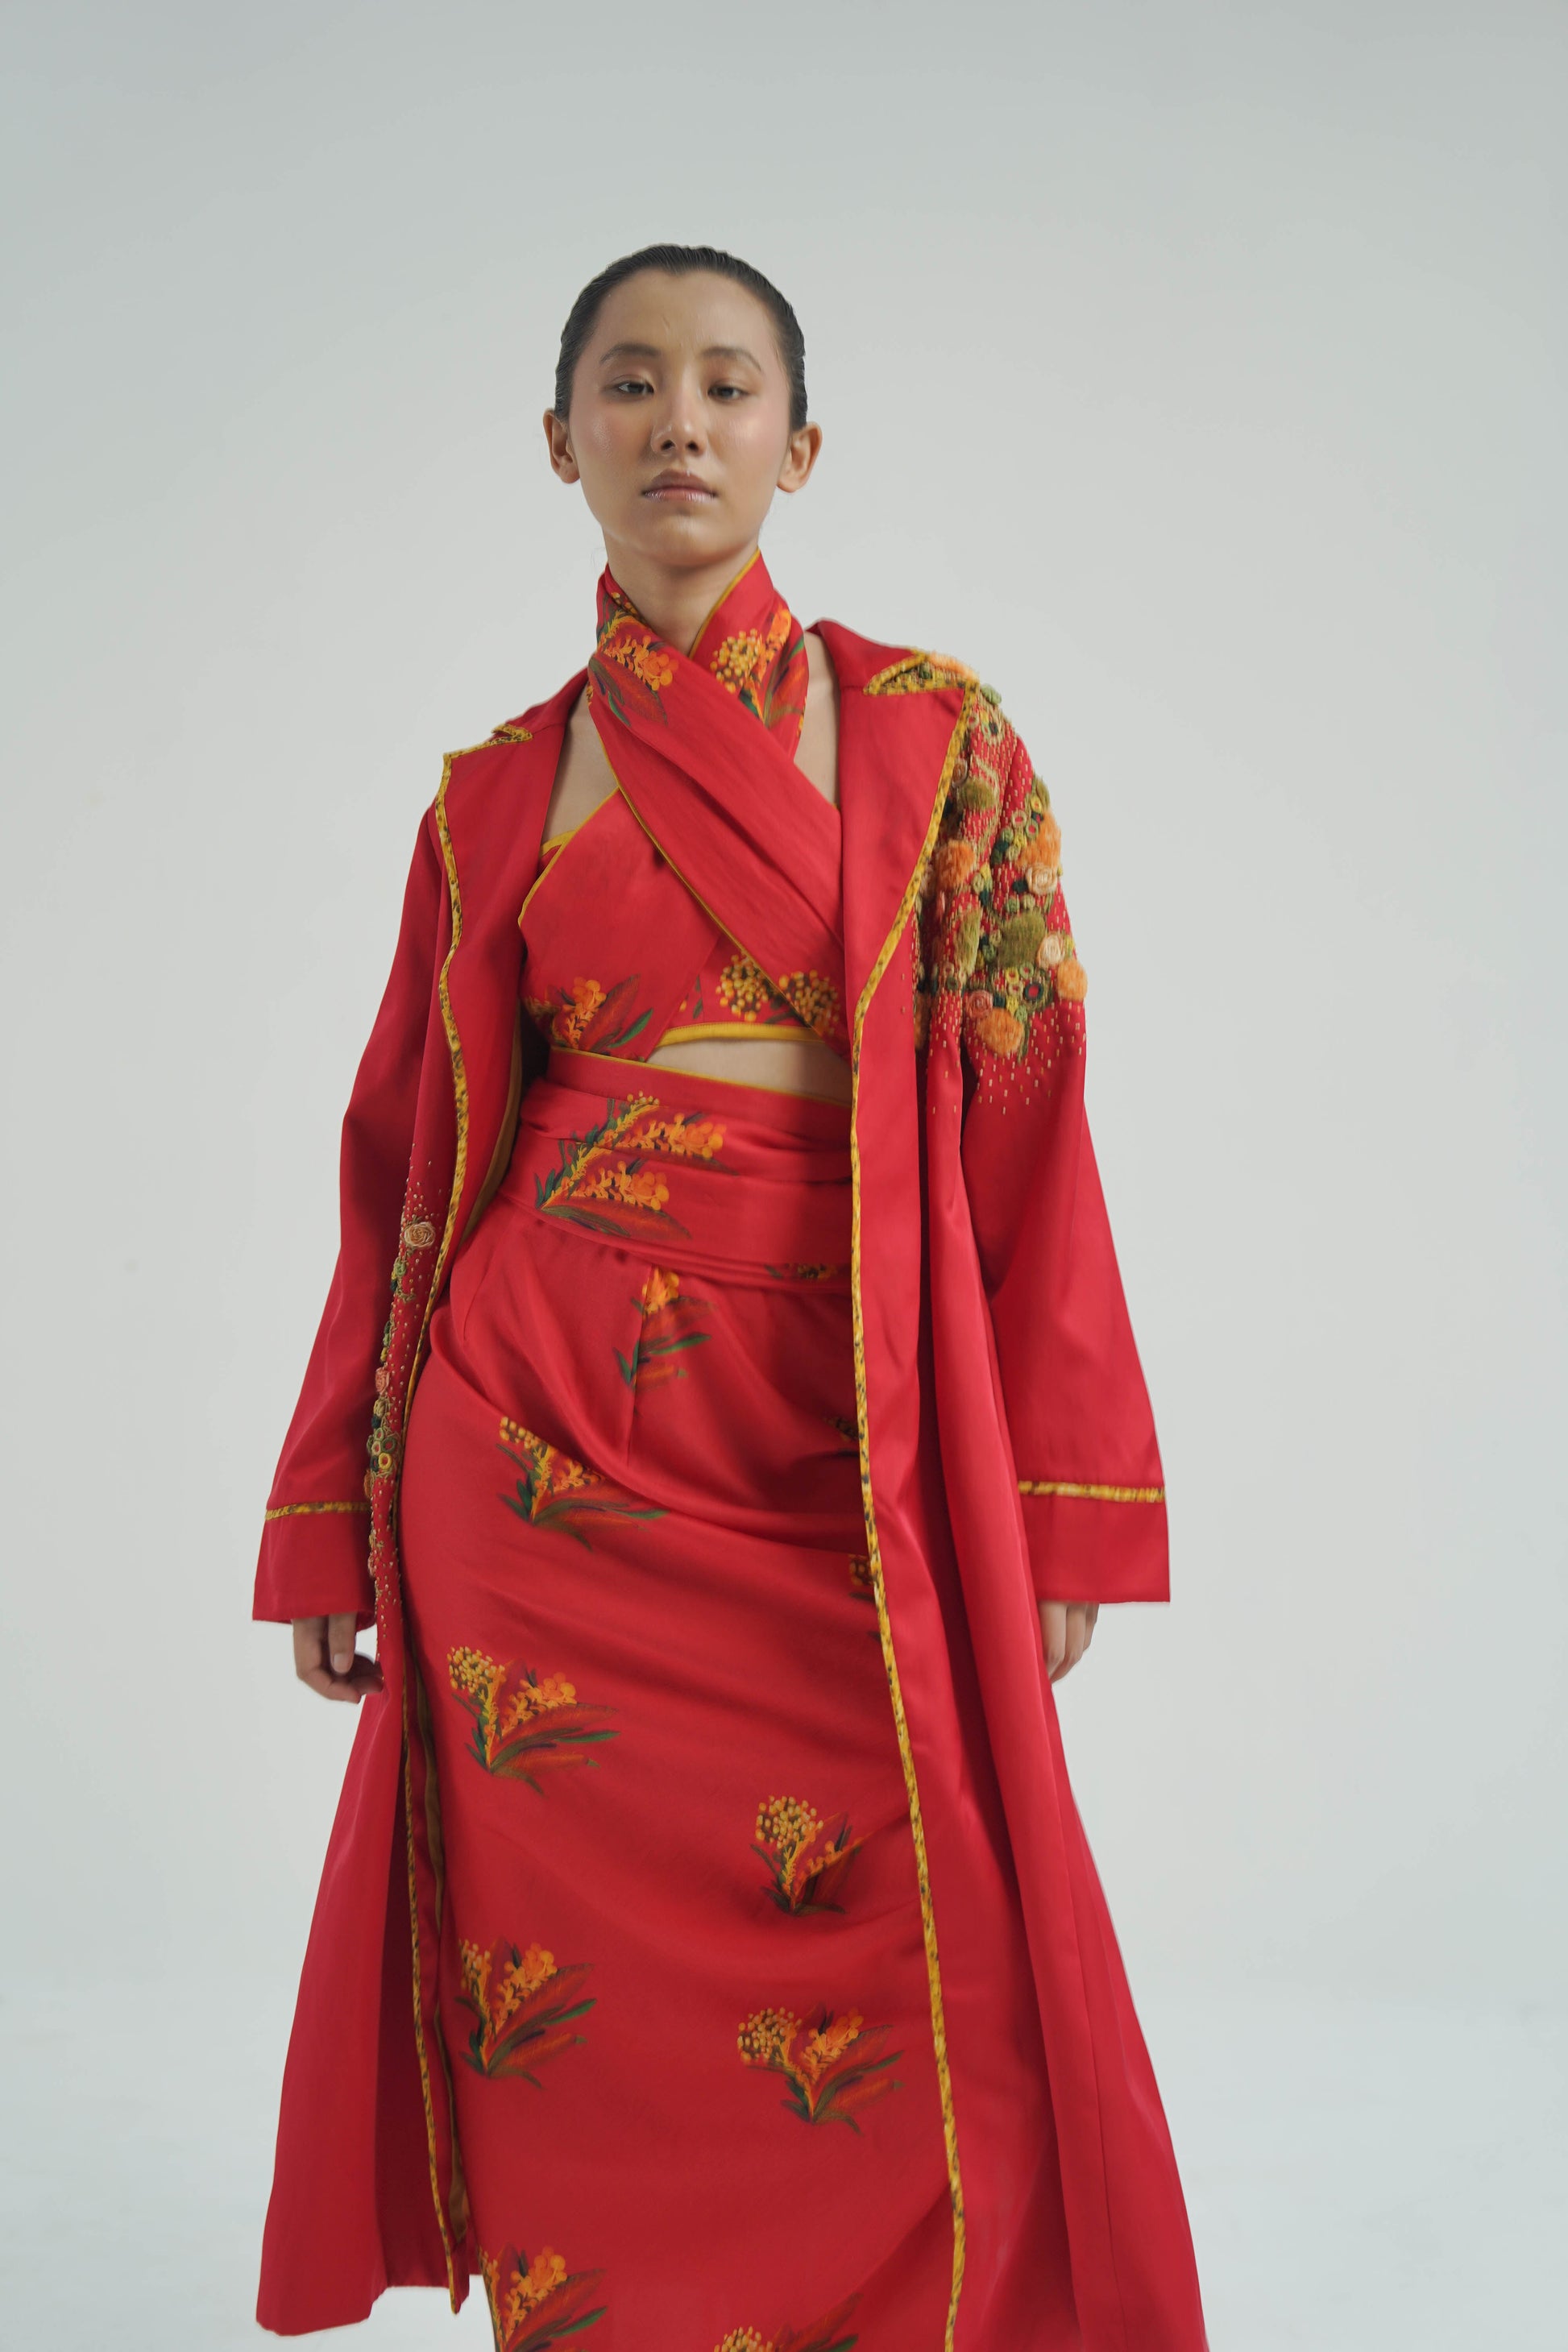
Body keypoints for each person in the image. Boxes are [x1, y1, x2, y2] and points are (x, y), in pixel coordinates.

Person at [253, 243, 1208, 2352]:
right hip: (536, 1456)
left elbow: (1031, 1117)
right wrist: (333, 1506)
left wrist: (1062, 1498)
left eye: (722, 383)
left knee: (937, 1940)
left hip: (842, 1433)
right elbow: (399, 1172)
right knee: (573, 2014)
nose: (674, 422)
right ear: (560, 442)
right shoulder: (491, 794)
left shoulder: (939, 742)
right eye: (627, 383)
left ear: (799, 442)